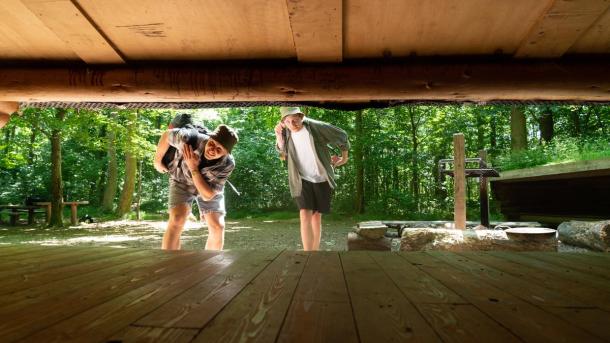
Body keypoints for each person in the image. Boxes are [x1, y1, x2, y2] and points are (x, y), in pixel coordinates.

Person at [154, 118, 238, 251]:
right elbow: (167, 135)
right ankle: (169, 264)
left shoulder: (227, 164)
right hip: (181, 180)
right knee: (177, 218)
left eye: (219, 149)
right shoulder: (189, 138)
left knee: (218, 226)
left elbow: (207, 195)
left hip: (208, 187)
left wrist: (193, 168)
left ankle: (211, 265)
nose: (212, 150)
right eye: (212, 143)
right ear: (208, 138)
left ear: (226, 154)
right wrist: (157, 161)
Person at [275, 107, 350, 251]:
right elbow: (282, 153)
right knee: (304, 214)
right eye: (288, 122)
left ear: (301, 117)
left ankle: (314, 253)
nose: (293, 124)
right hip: (301, 179)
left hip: (321, 178)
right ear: (284, 122)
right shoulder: (285, 132)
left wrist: (344, 158)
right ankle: (307, 255)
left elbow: (342, 135)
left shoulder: (316, 127)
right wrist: (278, 135)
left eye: (295, 120)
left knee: (316, 216)